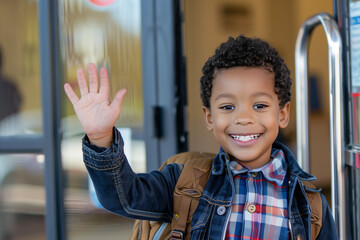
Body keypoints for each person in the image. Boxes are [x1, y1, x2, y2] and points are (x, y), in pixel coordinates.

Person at [64, 35, 337, 239]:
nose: (243, 118)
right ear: (209, 117)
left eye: (260, 105)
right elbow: (123, 198)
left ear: (283, 114)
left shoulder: (311, 205)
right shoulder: (183, 182)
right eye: (228, 107)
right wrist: (100, 136)